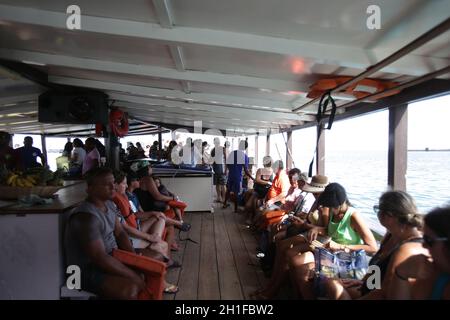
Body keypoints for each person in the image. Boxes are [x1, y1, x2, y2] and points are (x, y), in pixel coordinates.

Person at [324, 191, 426, 300]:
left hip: (376, 295)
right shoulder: (391, 236)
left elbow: (384, 292)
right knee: (330, 281)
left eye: (377, 210)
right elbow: (378, 267)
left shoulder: (406, 249)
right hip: (370, 288)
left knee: (332, 284)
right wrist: (363, 282)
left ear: (388, 215)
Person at [64, 167, 145, 299]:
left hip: (110, 257)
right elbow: (99, 257)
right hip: (82, 272)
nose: (112, 187)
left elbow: (120, 234)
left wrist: (134, 259)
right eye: (106, 184)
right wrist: (133, 275)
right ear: (90, 189)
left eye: (113, 182)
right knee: (129, 289)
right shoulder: (85, 217)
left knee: (151, 262)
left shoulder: (109, 204)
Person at [287, 183, 378, 299]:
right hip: (331, 255)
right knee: (295, 261)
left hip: (348, 262)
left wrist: (341, 246)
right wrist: (316, 229)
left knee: (303, 272)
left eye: (331, 207)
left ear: (340, 204)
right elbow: (331, 231)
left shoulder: (353, 216)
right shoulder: (333, 213)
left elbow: (373, 247)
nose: (328, 209)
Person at [390, 206, 450, 300]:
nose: (423, 245)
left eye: (428, 240)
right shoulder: (434, 272)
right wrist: (401, 273)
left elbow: (381, 289)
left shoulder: (405, 248)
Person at [223, 140, 254, 212]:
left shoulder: (233, 153)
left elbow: (227, 164)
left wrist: (230, 170)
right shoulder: (244, 156)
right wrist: (252, 178)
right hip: (238, 176)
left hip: (230, 174)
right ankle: (236, 209)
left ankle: (224, 203)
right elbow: (246, 170)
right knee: (237, 192)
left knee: (228, 190)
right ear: (245, 148)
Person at [211, 137, 227, 203]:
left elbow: (226, 159)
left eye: (217, 142)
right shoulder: (213, 150)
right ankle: (219, 198)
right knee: (217, 184)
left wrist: (226, 169)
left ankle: (224, 198)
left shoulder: (223, 149)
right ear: (214, 142)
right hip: (215, 169)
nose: (216, 143)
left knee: (223, 185)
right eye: (215, 142)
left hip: (222, 169)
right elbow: (211, 160)